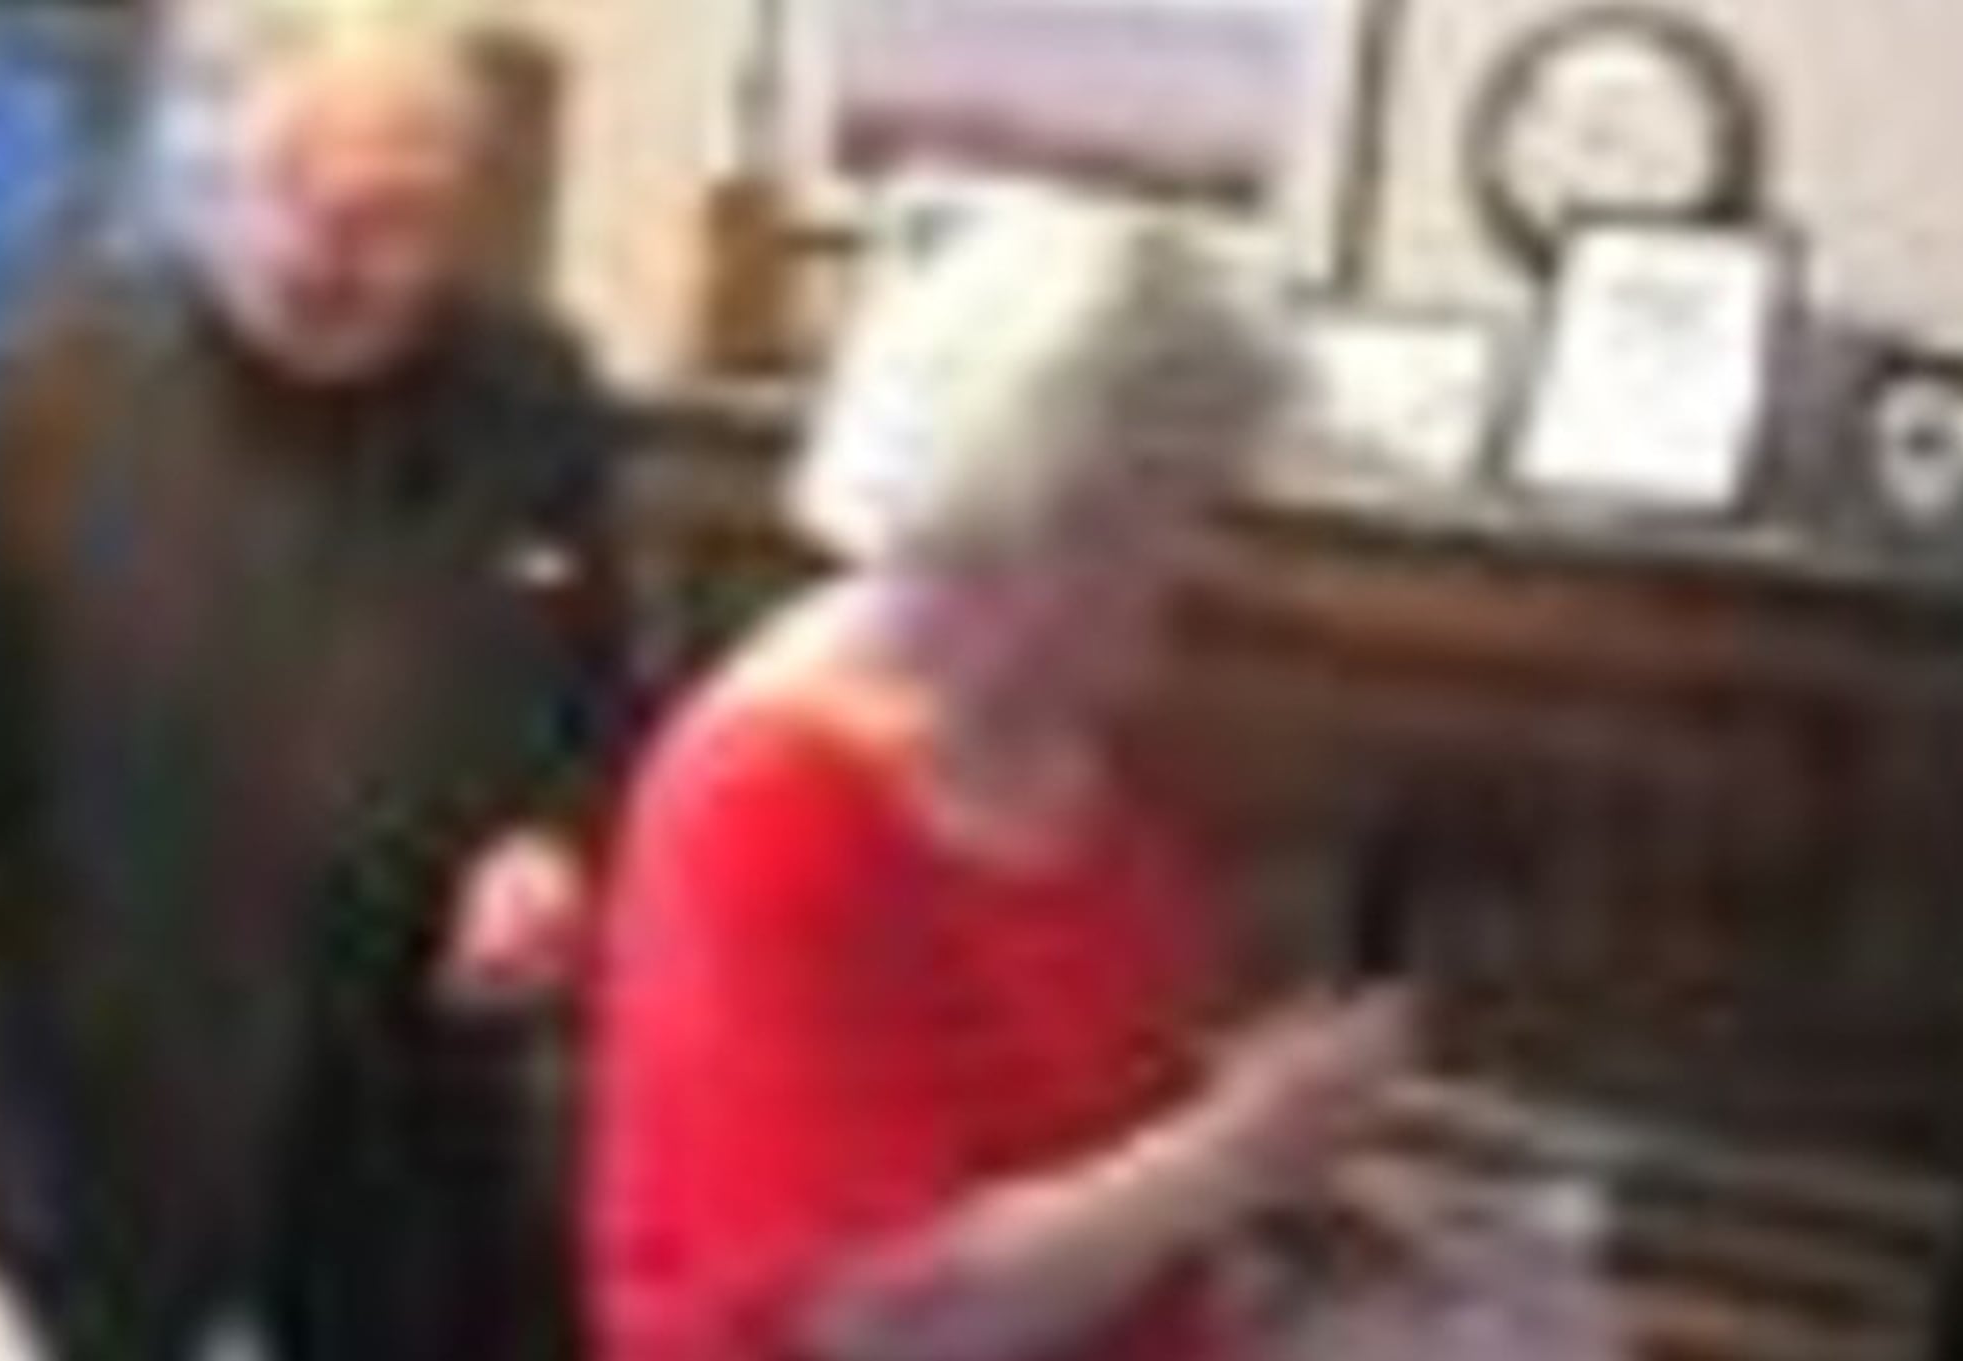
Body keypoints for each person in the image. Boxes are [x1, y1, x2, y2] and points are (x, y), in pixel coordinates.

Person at [0, 3, 626, 1357]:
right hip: (84, 1191)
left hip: (412, 1196)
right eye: (291, 196)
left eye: (396, 221)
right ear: (193, 164)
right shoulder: (32, 405)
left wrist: (558, 850)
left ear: (461, 208)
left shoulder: (535, 398)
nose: (330, 259)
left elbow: (597, 716)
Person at [587, 191, 1418, 1361]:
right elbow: (885, 1314)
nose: (1203, 558)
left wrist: (1275, 1172)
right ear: (1042, 508)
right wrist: (1230, 1152)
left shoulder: (1049, 734)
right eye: (1182, 504)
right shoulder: (764, 802)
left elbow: (1056, 1115)